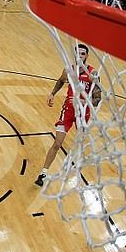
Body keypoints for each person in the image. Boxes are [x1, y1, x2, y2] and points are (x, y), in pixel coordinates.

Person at [35, 44, 101, 187]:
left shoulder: (92, 74)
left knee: (81, 144)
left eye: (83, 54)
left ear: (87, 56)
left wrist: (82, 100)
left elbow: (97, 99)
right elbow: (60, 80)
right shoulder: (68, 70)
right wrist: (52, 93)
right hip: (68, 111)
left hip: (83, 113)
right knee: (57, 143)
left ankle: (78, 174)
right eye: (78, 54)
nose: (80, 56)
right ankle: (43, 173)